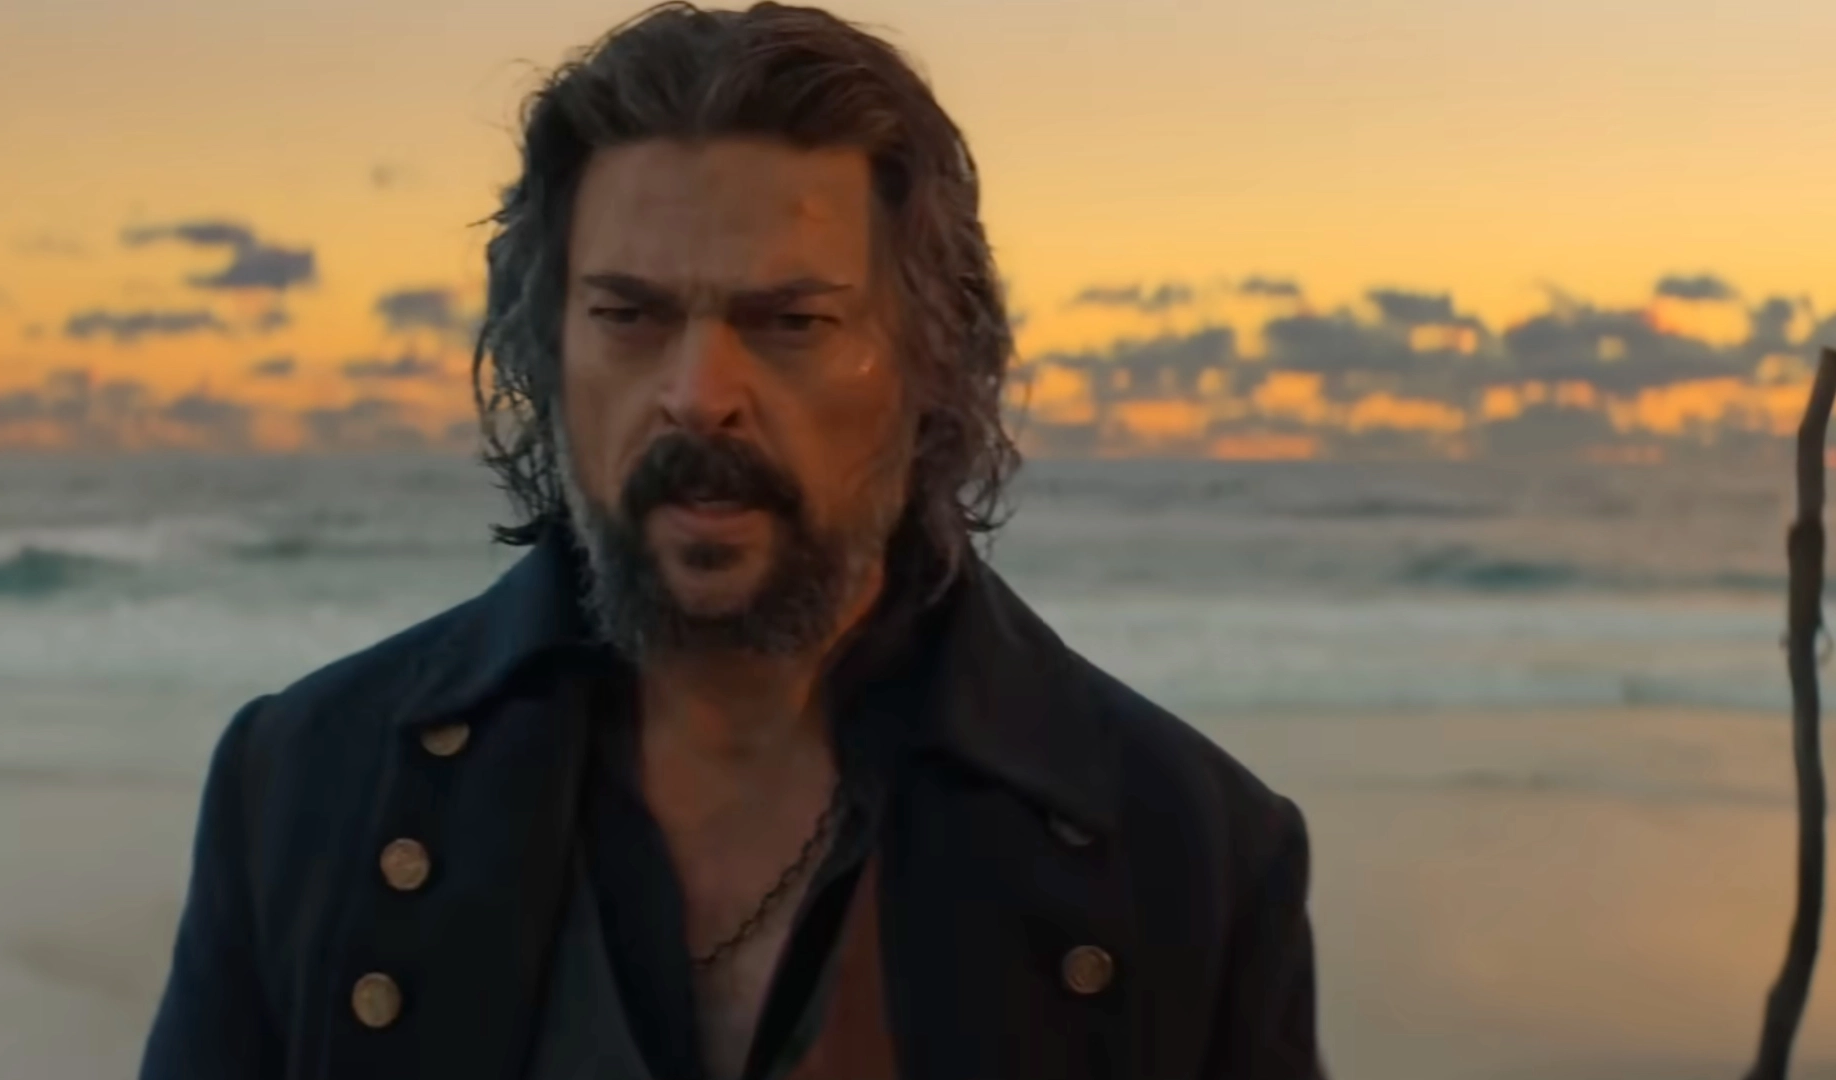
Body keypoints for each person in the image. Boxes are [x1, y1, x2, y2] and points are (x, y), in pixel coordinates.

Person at [138, 3, 1325, 1078]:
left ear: (933, 358)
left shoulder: (1189, 851)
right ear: (549, 349)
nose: (700, 395)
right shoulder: (306, 787)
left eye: (791, 321)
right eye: (630, 316)